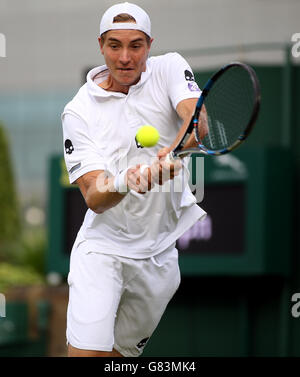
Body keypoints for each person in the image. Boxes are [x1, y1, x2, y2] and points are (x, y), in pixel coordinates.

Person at [62, 2, 207, 357]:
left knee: (118, 358)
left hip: (159, 255)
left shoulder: (170, 67)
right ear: (100, 45)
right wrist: (127, 181)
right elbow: (94, 196)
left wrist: (170, 154)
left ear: (149, 45)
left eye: (135, 45)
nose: (125, 57)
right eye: (115, 45)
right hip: (103, 248)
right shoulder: (78, 111)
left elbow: (198, 124)